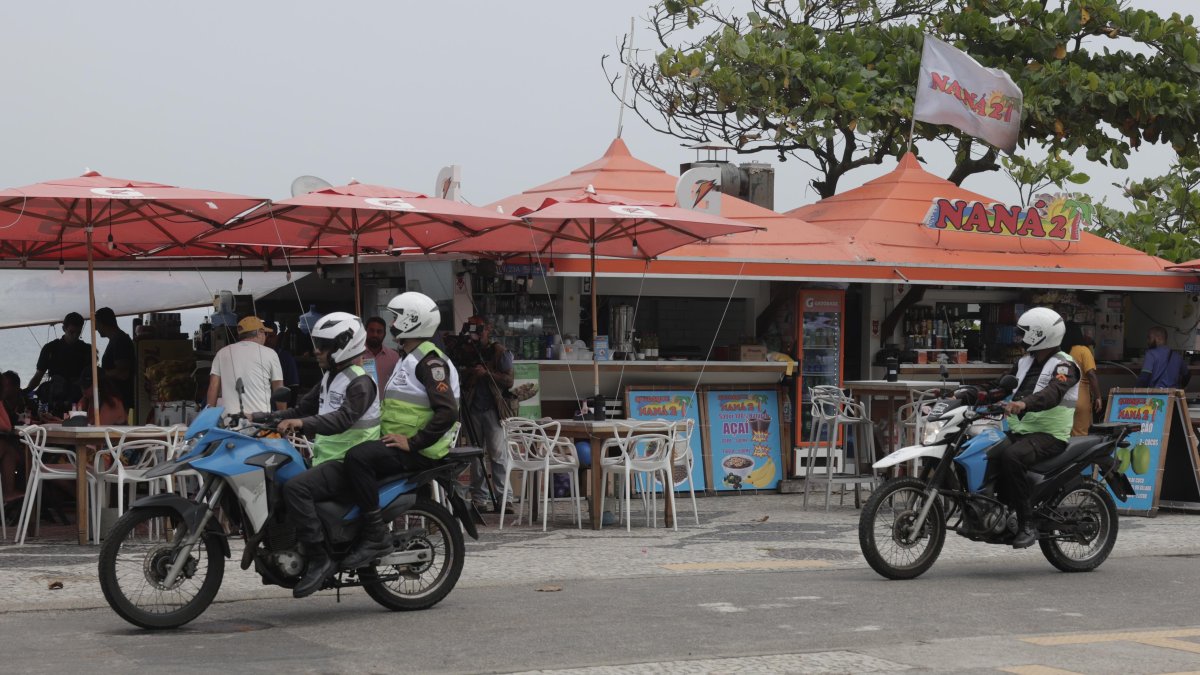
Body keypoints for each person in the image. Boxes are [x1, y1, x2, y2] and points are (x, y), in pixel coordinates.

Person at [337, 291, 460, 572]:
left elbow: (448, 411)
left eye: (396, 318)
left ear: (411, 320)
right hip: (401, 444)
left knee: (358, 459)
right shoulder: (409, 357)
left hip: (422, 450)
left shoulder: (429, 362)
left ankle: (374, 535)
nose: (393, 324)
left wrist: (414, 442)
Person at [272, 312, 382, 598]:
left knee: (295, 488)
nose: (316, 351)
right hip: (327, 458)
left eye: (323, 346)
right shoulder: (330, 378)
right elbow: (299, 410)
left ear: (343, 346)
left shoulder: (361, 382)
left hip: (348, 462)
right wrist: (257, 417)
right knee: (277, 477)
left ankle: (320, 558)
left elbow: (343, 419)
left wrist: (301, 425)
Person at [998, 307, 1081, 549]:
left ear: (1039, 334)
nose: (1019, 338)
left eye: (1023, 333)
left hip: (1050, 435)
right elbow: (1001, 385)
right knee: (985, 450)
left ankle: (1027, 523)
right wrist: (968, 393)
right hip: (1019, 432)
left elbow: (1053, 393)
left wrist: (1023, 403)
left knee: (1012, 458)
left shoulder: (1065, 366)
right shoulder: (1024, 362)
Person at [451, 315, 514, 512]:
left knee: (497, 454)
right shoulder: (465, 350)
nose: (476, 334)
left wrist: (486, 373)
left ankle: (505, 498)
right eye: (472, 329)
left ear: (487, 329)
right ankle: (480, 498)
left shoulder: (498, 352)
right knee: (474, 455)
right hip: (472, 407)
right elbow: (456, 371)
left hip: (493, 409)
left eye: (479, 329)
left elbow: (508, 381)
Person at [206, 316, 284, 420]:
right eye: (265, 333)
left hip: (229, 422)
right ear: (260, 332)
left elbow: (213, 387)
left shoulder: (222, 353)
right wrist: (283, 418)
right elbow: (279, 389)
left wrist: (208, 419)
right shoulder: (270, 354)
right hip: (260, 423)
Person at [25, 312, 90, 408]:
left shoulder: (87, 350)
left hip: (78, 399)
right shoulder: (50, 349)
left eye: (78, 332)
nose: (75, 336)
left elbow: (91, 379)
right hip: (55, 398)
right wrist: (26, 391)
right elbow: (38, 376)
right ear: (64, 329)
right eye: (72, 332)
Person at [1062, 322, 1102, 437]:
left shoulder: (1060, 352)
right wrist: (1098, 396)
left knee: (1064, 435)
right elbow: (1091, 375)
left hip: (1062, 397)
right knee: (1080, 435)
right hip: (1081, 398)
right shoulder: (1083, 351)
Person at [94, 307, 136, 413]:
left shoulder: (120, 341)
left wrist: (100, 373)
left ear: (102, 323)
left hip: (121, 399)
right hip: (116, 399)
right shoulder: (116, 339)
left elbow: (123, 373)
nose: (96, 329)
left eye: (97, 325)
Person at [264, 320, 301, 395]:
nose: (267, 340)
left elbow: (293, 386)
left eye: (271, 336)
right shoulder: (253, 356)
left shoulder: (285, 358)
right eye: (264, 335)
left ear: (276, 338)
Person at [363, 316, 400, 386]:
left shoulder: (394, 357)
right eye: (371, 331)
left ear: (384, 334)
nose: (375, 334)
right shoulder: (355, 357)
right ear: (365, 332)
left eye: (379, 331)